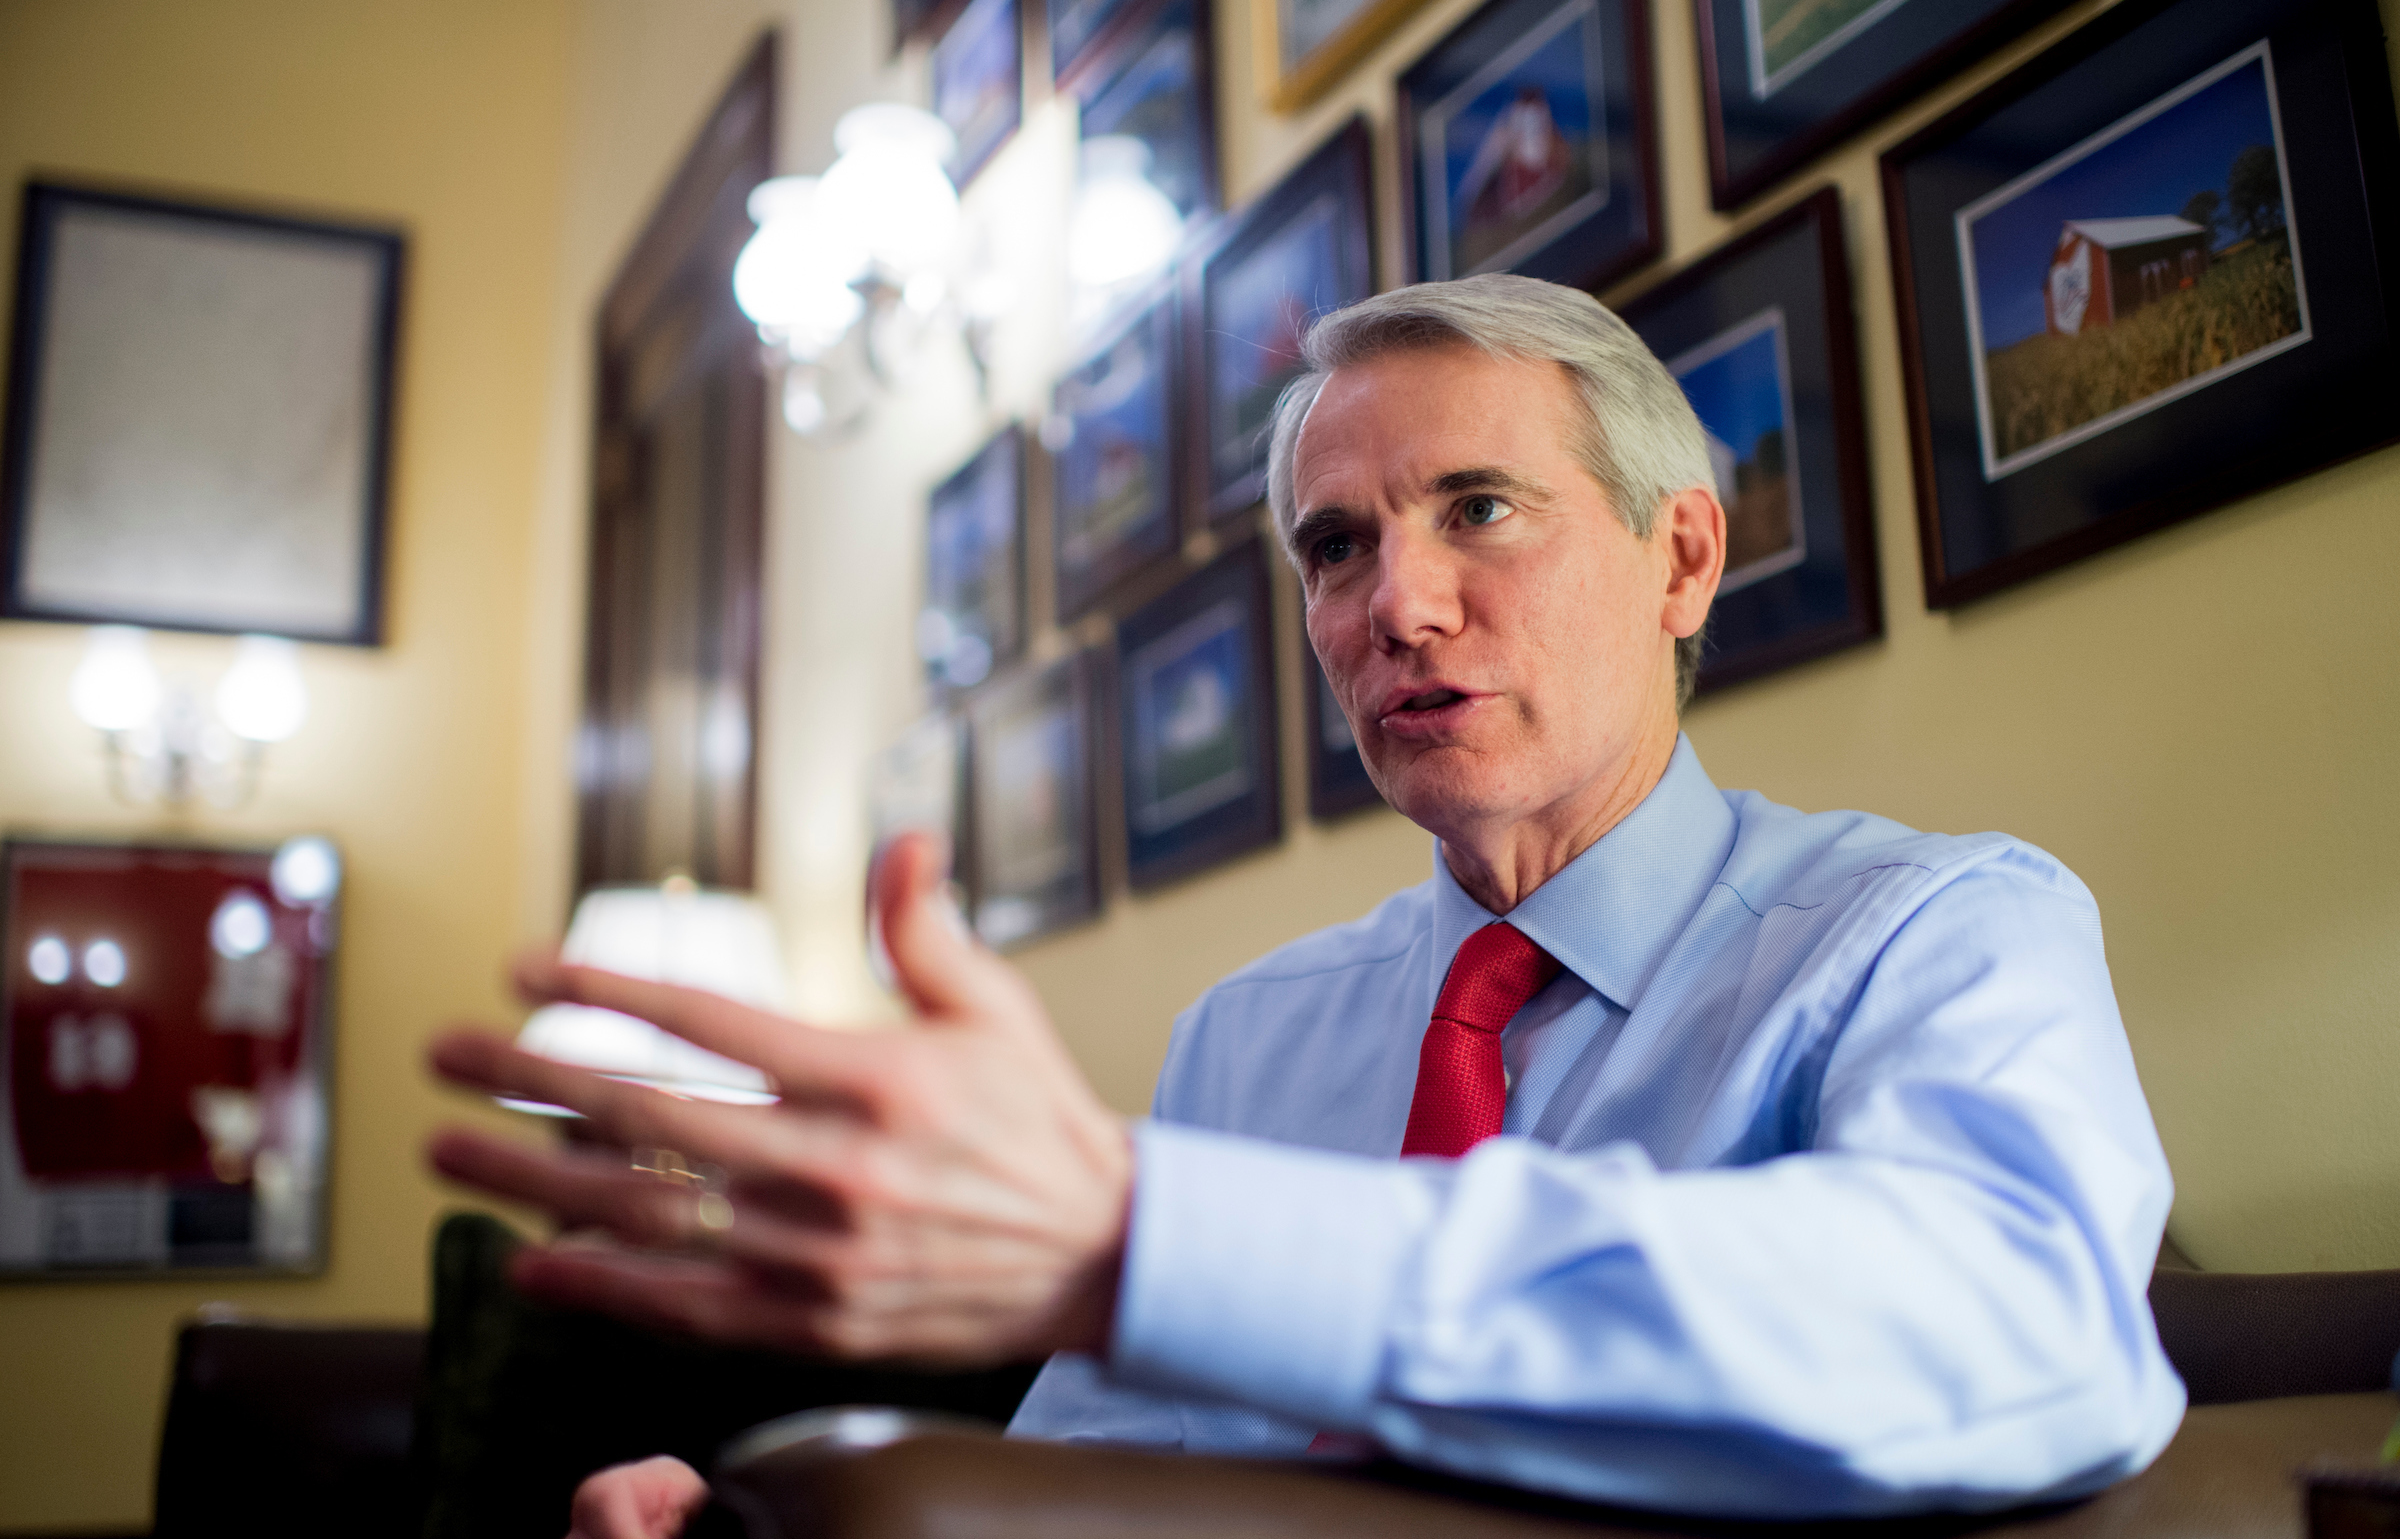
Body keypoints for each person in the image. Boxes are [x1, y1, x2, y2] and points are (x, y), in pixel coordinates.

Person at [428, 275, 2184, 1539]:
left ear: (1684, 557)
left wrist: (1153, 1239)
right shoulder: (1254, 1035)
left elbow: (2029, 1326)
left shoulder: (1934, 929)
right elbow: (1082, 1499)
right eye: (1336, 547)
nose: (1397, 606)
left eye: (1478, 508)